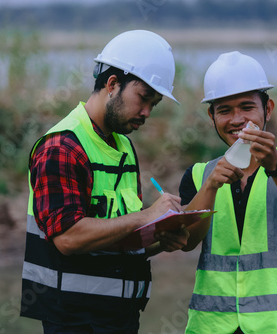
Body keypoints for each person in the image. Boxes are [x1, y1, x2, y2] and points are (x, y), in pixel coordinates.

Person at [20, 30, 190, 334]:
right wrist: (148, 215)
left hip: (120, 319)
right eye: (144, 98)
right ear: (112, 84)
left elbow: (115, 240)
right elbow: (69, 238)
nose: (148, 112)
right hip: (74, 322)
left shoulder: (123, 146)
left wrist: (158, 240)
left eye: (155, 103)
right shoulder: (62, 147)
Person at [179, 51, 277, 334]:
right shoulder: (199, 175)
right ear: (212, 116)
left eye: (247, 107)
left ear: (267, 109)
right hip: (211, 326)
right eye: (224, 110)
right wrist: (210, 186)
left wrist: (276, 166)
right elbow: (186, 240)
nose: (237, 119)